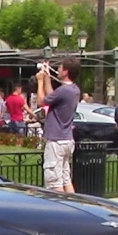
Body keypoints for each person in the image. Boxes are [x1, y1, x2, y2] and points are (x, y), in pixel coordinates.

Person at [37, 56, 82, 193]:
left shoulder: (64, 90)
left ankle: (61, 209)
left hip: (56, 141)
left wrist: (40, 82)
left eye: (60, 68)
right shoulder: (73, 90)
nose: (58, 69)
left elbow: (41, 102)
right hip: (66, 139)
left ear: (66, 72)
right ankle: (74, 206)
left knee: (54, 181)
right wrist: (47, 78)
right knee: (65, 178)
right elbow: (52, 96)